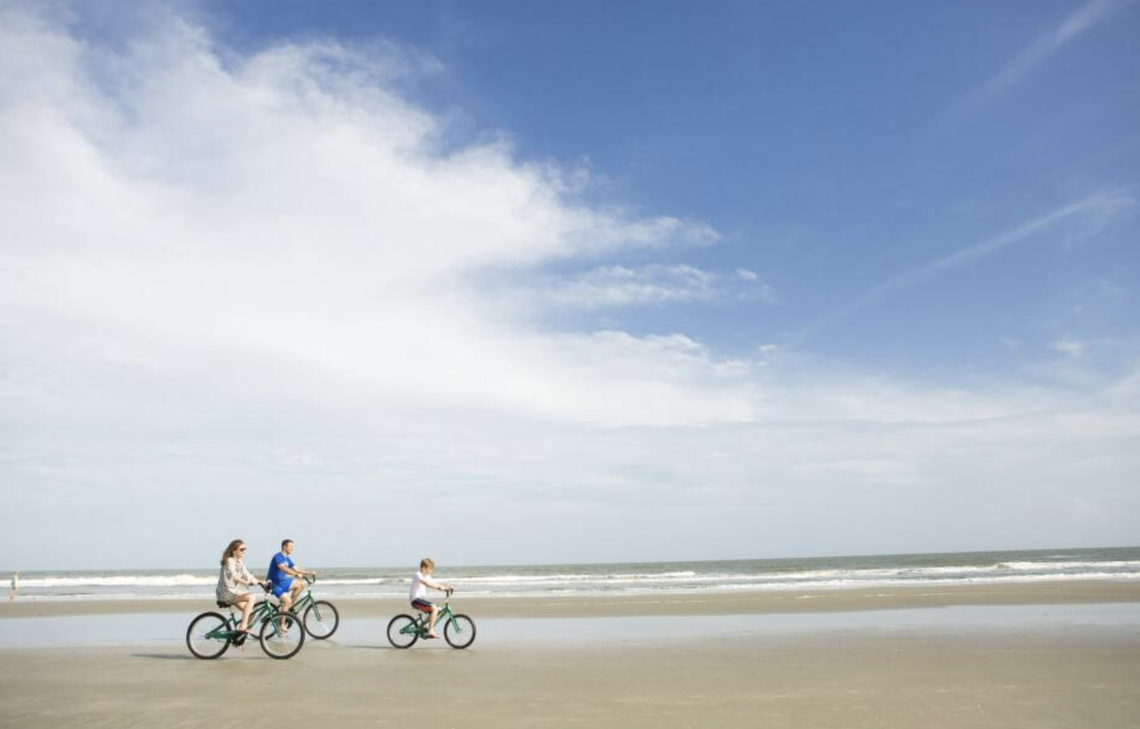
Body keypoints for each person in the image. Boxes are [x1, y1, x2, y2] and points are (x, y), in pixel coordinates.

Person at [216, 540, 269, 637]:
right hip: (226, 593)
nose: (244, 551)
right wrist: (246, 583)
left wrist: (261, 582)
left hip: (233, 592)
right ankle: (243, 626)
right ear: (234, 551)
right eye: (242, 549)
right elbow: (234, 576)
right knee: (252, 597)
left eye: (245, 549)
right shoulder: (229, 561)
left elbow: (247, 575)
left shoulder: (240, 562)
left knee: (251, 612)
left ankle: (239, 637)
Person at [266, 539, 314, 614]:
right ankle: (282, 624)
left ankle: (289, 606)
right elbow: (283, 568)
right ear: (284, 547)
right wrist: (295, 574)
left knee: (301, 584)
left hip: (282, 582)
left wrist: (309, 573)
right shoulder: (277, 556)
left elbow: (296, 568)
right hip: (274, 584)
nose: (292, 548)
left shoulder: (287, 559)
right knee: (287, 602)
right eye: (291, 546)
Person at [409, 558, 452, 639]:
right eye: (430, 569)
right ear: (424, 567)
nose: (431, 571)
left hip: (420, 600)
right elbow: (427, 584)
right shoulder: (418, 574)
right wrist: (440, 588)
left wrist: (445, 588)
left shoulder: (427, 576)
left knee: (437, 610)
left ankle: (422, 625)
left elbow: (434, 583)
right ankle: (430, 630)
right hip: (415, 600)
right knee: (435, 609)